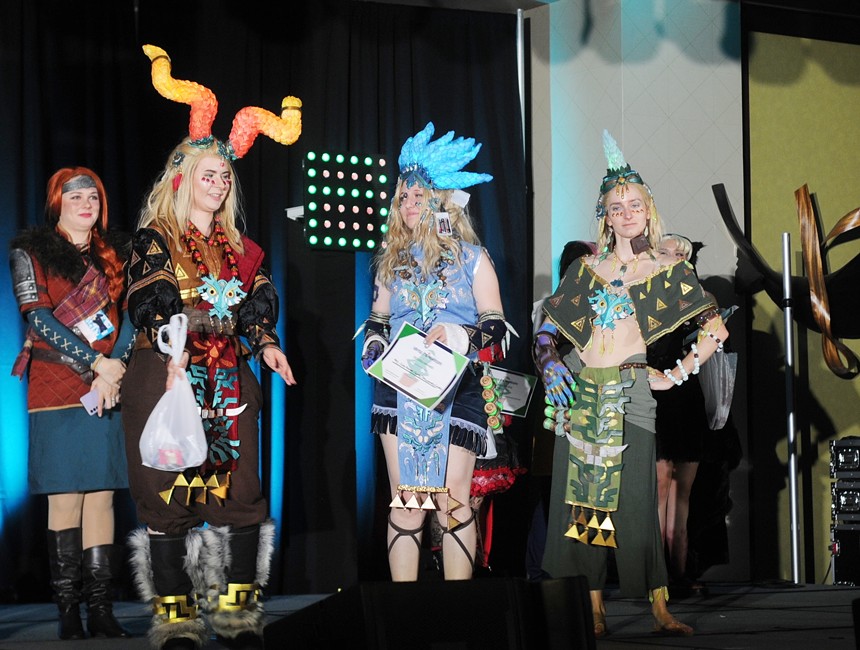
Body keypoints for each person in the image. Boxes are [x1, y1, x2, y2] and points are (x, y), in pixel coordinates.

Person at [123, 45, 300, 650]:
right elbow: (151, 300)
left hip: (229, 378)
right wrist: (177, 342)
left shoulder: (244, 250)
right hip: (167, 373)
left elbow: (257, 303)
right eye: (210, 174)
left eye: (226, 177)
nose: (220, 183)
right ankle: (176, 621)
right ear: (182, 179)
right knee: (167, 492)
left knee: (241, 491)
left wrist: (267, 345)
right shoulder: (153, 239)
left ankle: (237, 615)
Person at [534, 130, 729, 638]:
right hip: (580, 390)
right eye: (616, 206)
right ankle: (593, 605)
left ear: (648, 210)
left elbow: (715, 330)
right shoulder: (587, 269)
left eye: (634, 204)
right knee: (584, 502)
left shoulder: (665, 269)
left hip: (631, 391)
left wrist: (676, 373)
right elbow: (546, 331)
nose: (625, 213)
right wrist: (549, 361)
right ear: (605, 215)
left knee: (636, 500)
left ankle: (659, 606)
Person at [359, 122, 513, 582]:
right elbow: (378, 320)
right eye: (402, 196)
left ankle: (455, 611)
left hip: (457, 388)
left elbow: (495, 329)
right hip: (399, 388)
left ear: (441, 200)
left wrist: (460, 335)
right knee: (407, 503)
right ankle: (404, 618)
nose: (407, 204)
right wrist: (373, 346)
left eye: (417, 195)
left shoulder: (473, 257)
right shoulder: (391, 260)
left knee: (451, 502)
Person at [10, 167, 134, 640]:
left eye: (93, 198)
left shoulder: (116, 255)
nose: (86, 204)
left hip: (108, 385)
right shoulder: (31, 251)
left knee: (103, 494)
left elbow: (131, 321)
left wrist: (115, 367)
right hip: (57, 383)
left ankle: (101, 609)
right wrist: (98, 366)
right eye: (75, 196)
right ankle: (68, 612)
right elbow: (38, 320)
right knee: (66, 496)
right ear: (56, 202)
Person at [648, 233, 709, 593]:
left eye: (679, 253)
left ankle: (679, 573)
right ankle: (656, 577)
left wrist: (678, 373)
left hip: (684, 395)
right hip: (653, 396)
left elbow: (718, 339)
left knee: (683, 491)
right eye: (665, 250)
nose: (671, 256)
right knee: (659, 485)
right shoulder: (645, 296)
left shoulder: (699, 299)